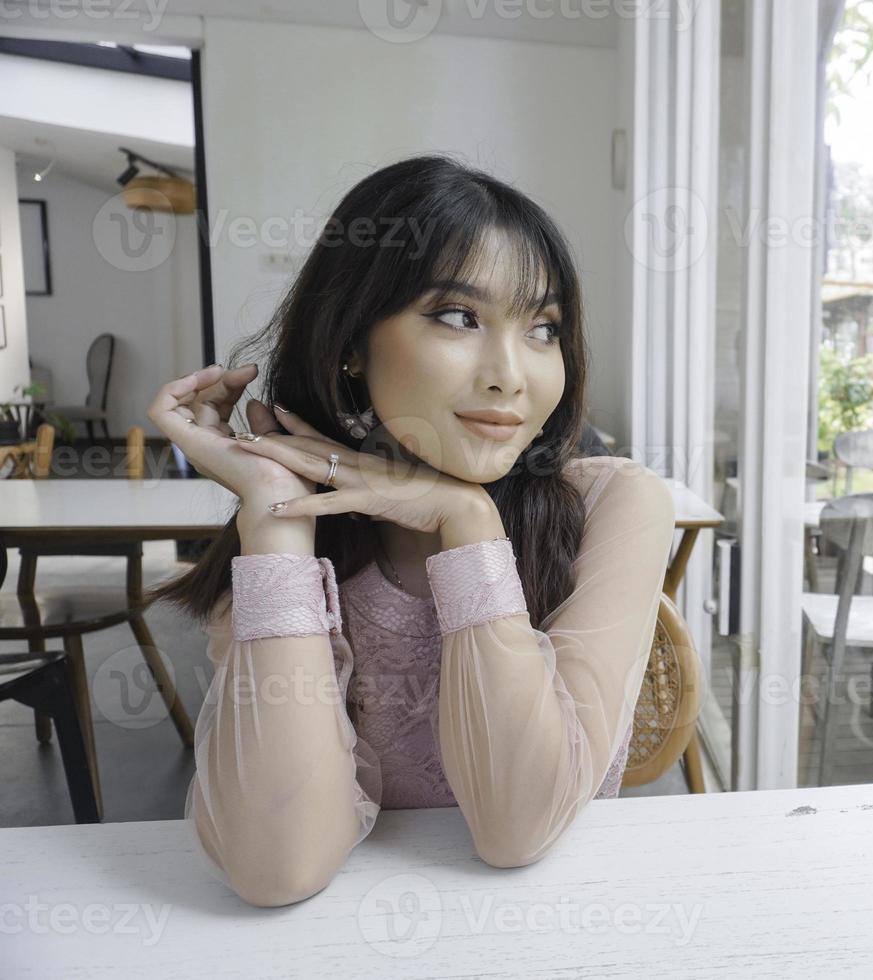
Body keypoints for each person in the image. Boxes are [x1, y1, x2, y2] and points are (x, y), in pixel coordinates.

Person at [145, 155, 675, 908]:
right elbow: (278, 866)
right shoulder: (302, 528)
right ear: (353, 340)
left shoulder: (616, 505)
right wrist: (272, 512)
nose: (510, 376)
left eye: (544, 328)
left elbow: (516, 828)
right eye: (458, 317)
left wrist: (467, 521)